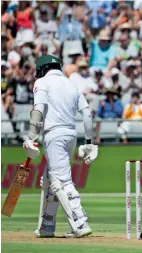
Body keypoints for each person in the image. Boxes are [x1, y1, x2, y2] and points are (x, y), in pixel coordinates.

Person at [22, 55, 98, 238]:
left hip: (53, 135)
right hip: (71, 136)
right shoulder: (72, 85)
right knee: (49, 179)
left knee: (61, 181)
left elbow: (38, 110)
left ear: (42, 69)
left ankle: (80, 223)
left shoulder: (42, 82)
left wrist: (31, 137)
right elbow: (87, 115)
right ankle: (47, 226)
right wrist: (89, 142)